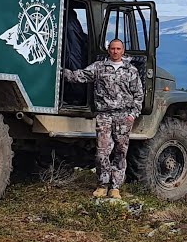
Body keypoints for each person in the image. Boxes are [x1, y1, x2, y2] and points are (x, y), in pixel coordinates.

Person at [60, 38, 144, 199]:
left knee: (120, 152)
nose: (115, 51)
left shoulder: (131, 70)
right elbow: (80, 76)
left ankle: (115, 187)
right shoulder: (99, 67)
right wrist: (61, 72)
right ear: (108, 50)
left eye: (118, 49)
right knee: (102, 152)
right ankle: (102, 185)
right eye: (112, 48)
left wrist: (132, 115)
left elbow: (138, 95)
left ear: (123, 50)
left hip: (123, 117)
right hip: (104, 115)